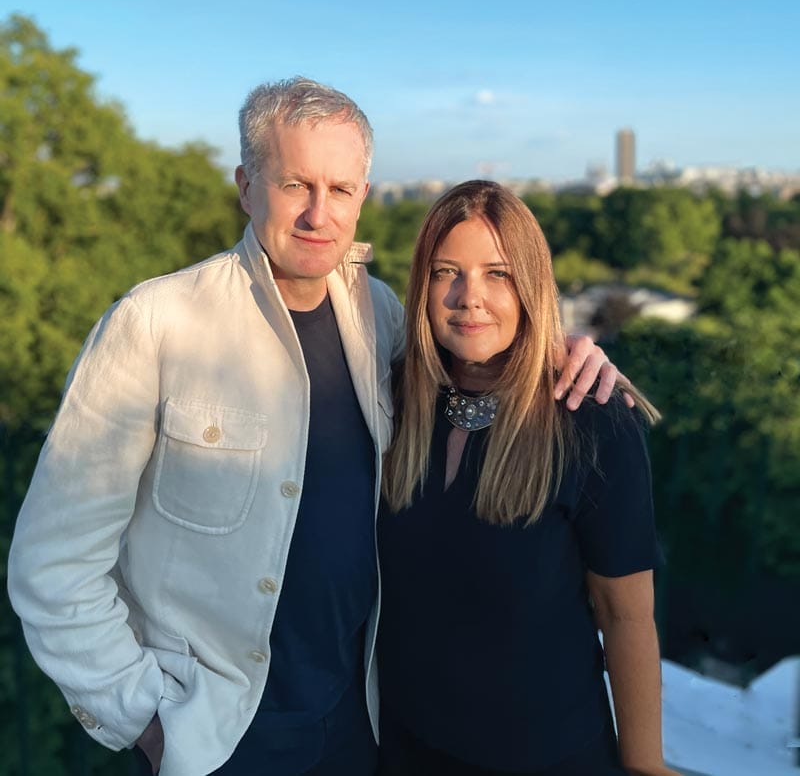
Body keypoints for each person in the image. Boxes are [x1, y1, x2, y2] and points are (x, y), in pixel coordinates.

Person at [9, 80, 624, 776]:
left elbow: (479, 349)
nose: (317, 213)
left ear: (364, 195)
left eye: (339, 188)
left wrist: (567, 350)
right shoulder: (154, 326)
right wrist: (143, 719)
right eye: (295, 183)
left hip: (360, 725)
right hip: (218, 737)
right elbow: (51, 566)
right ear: (246, 186)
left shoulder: (380, 315)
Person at [378, 180, 678, 776]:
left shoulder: (592, 423)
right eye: (446, 272)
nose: (470, 298)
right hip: (405, 750)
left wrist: (644, 765)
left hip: (548, 757)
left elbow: (626, 616)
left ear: (531, 287)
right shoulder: (388, 401)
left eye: (498, 273)